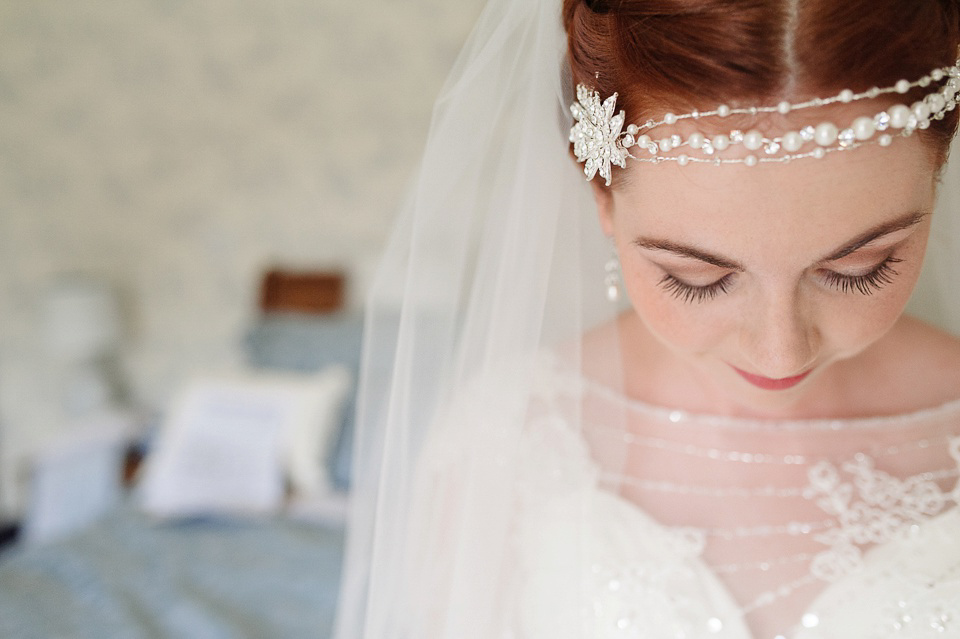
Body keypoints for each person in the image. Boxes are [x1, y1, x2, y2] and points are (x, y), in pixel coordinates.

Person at [334, 0, 960, 637]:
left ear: (936, 178)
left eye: (860, 269)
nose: (781, 353)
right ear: (603, 196)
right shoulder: (509, 439)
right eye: (700, 279)